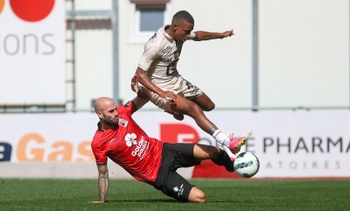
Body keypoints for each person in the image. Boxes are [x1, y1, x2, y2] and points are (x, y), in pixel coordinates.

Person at [90, 88, 237, 203]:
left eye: (115, 108)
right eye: (111, 111)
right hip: (157, 175)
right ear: (100, 114)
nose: (116, 113)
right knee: (200, 198)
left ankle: (233, 166)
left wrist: (140, 89)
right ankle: (181, 187)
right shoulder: (99, 143)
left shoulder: (123, 113)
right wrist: (102, 199)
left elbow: (144, 96)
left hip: (164, 150)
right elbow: (103, 174)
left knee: (214, 151)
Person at [134, 10, 245, 155]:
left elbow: (198, 35)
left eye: (189, 31)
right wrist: (162, 93)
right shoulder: (156, 45)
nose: (188, 36)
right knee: (194, 109)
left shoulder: (179, 33)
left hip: (177, 80)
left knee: (209, 106)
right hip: (161, 89)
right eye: (186, 32)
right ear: (175, 27)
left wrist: (221, 35)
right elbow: (140, 75)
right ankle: (227, 142)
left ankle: (175, 109)